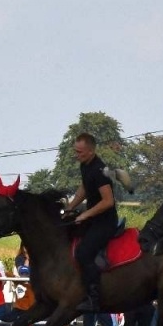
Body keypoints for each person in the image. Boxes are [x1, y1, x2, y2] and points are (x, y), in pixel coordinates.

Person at [63, 133, 119, 314]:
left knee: (83, 252)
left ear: (90, 151)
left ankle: (93, 298)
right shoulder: (85, 166)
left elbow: (108, 201)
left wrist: (85, 214)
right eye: (75, 151)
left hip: (105, 222)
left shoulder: (100, 170)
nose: (76, 154)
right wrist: (70, 207)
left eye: (79, 152)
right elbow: (85, 188)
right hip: (93, 219)